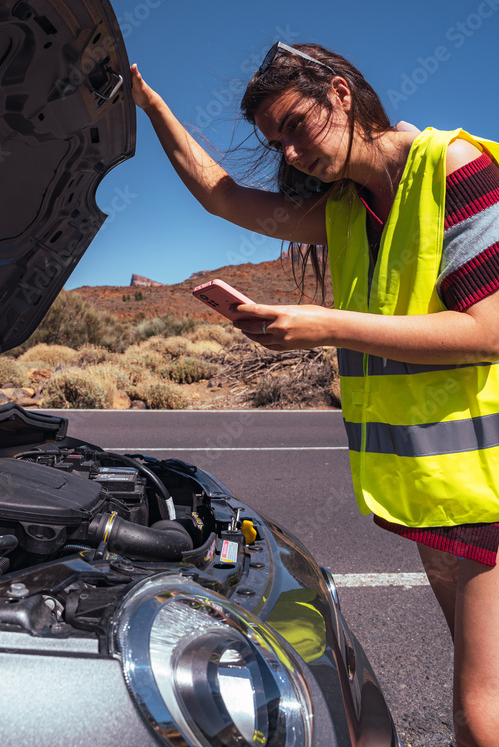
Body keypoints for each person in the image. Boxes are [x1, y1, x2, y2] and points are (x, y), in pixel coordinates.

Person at [131, 41, 499, 747]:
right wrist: (152, 107)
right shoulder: (346, 212)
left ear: (338, 93)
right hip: (433, 491)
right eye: (276, 142)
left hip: (489, 486)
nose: (290, 154)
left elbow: (487, 331)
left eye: (294, 126)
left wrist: (321, 325)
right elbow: (221, 196)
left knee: (480, 718)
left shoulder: (454, 168)